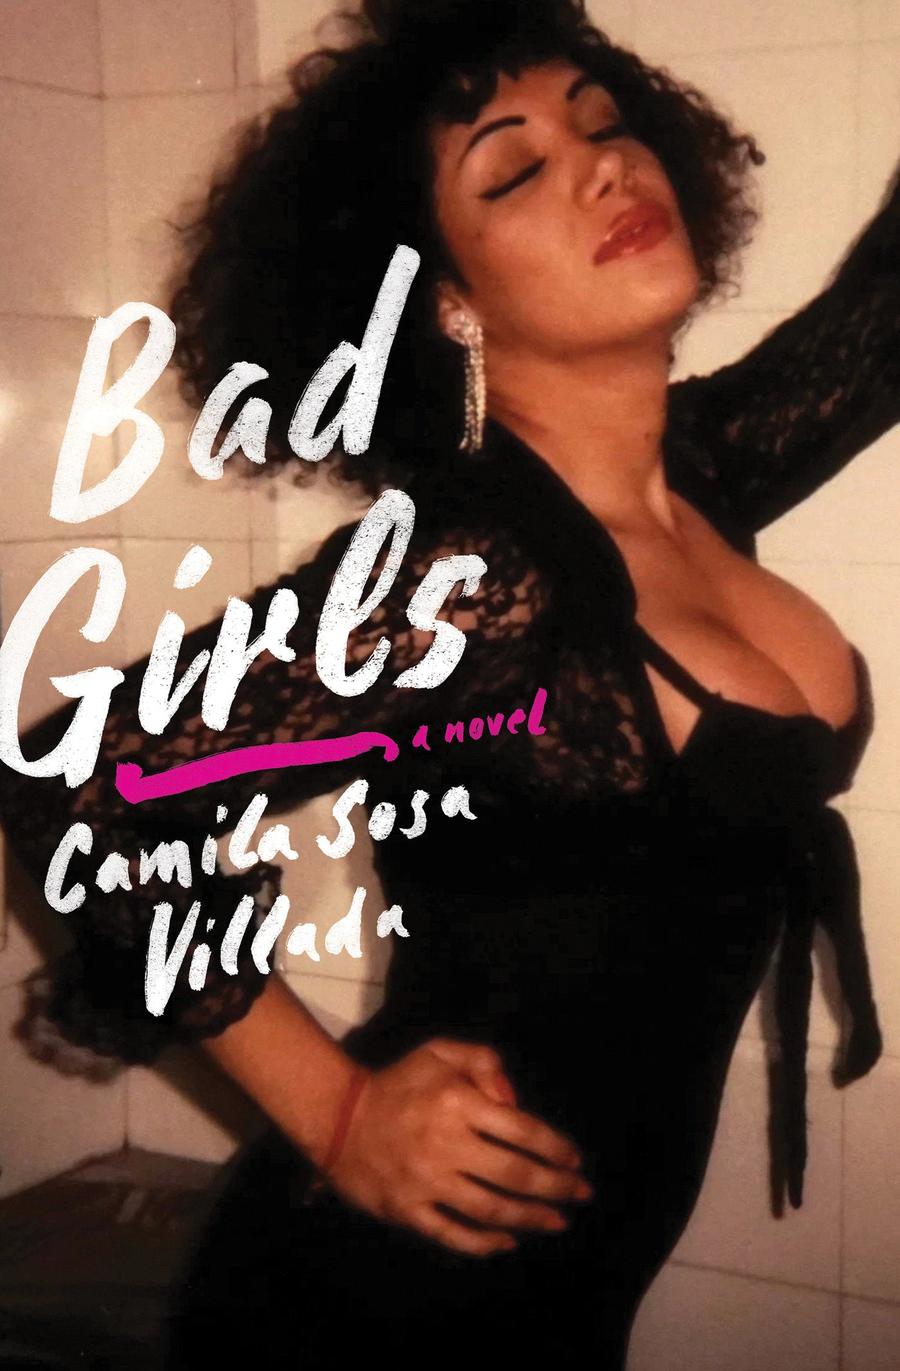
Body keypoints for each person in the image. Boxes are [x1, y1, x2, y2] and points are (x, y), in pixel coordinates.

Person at [0, 0, 897, 1364]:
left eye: (605, 123)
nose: (604, 166)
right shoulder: (470, 574)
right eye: (515, 170)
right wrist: (338, 1113)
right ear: (448, 303)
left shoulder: (703, 470)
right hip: (381, 1310)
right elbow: (78, 789)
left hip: (561, 1298)